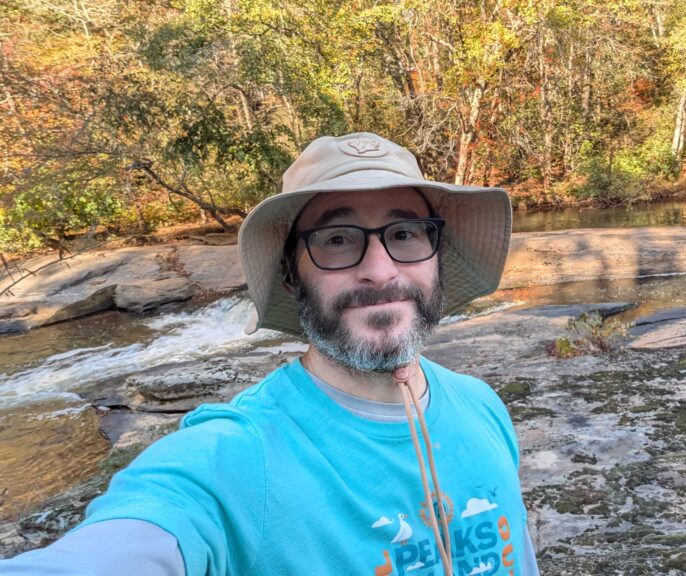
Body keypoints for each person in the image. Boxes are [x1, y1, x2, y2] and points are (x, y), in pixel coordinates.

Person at [0, 133, 540, 576]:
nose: (380, 269)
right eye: (336, 239)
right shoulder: (235, 455)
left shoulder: (482, 405)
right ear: (289, 273)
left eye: (404, 233)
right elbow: (137, 533)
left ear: (436, 256)